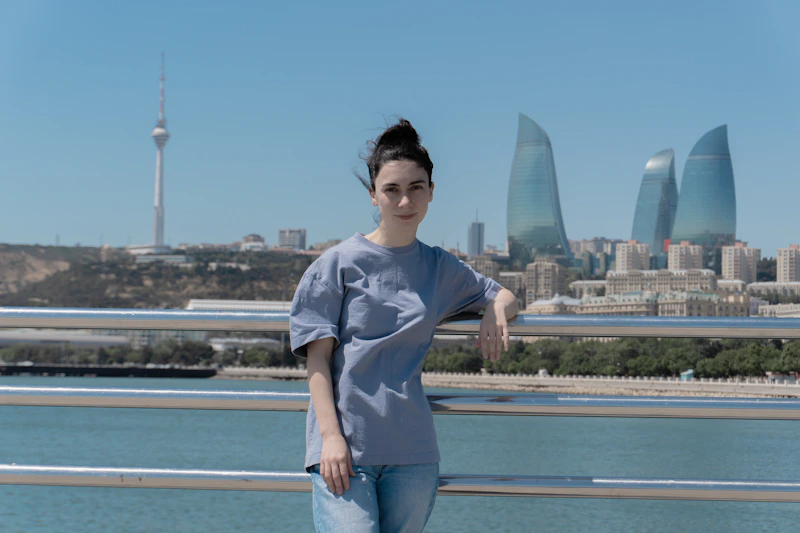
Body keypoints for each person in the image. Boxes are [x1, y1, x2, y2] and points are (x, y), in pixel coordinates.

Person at [290, 119, 518, 533]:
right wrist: (331, 438)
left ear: (431, 192)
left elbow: (504, 294)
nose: (404, 200)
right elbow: (317, 362)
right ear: (373, 195)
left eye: (416, 187)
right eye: (391, 189)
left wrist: (494, 309)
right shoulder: (336, 264)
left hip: (413, 454)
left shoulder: (439, 266)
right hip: (346, 449)